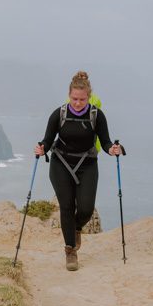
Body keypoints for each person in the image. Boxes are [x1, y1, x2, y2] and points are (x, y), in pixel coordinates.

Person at [34, 71, 123, 271]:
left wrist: (112, 149)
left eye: (82, 99)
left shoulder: (96, 115)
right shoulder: (59, 114)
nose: (77, 103)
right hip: (61, 163)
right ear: (69, 95)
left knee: (85, 209)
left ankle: (76, 228)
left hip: (87, 163)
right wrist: (41, 148)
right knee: (66, 206)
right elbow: (47, 140)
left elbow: (105, 140)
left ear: (89, 97)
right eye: (74, 99)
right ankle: (70, 251)